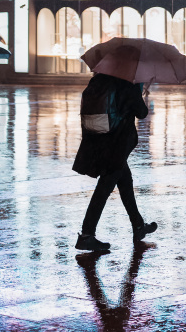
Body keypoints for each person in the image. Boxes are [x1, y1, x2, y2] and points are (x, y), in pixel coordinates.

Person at [73, 73, 157, 251]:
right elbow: (142, 113)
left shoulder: (99, 79)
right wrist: (140, 92)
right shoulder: (127, 82)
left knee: (125, 183)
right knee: (104, 188)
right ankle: (87, 235)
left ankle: (138, 225)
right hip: (117, 143)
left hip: (99, 139)